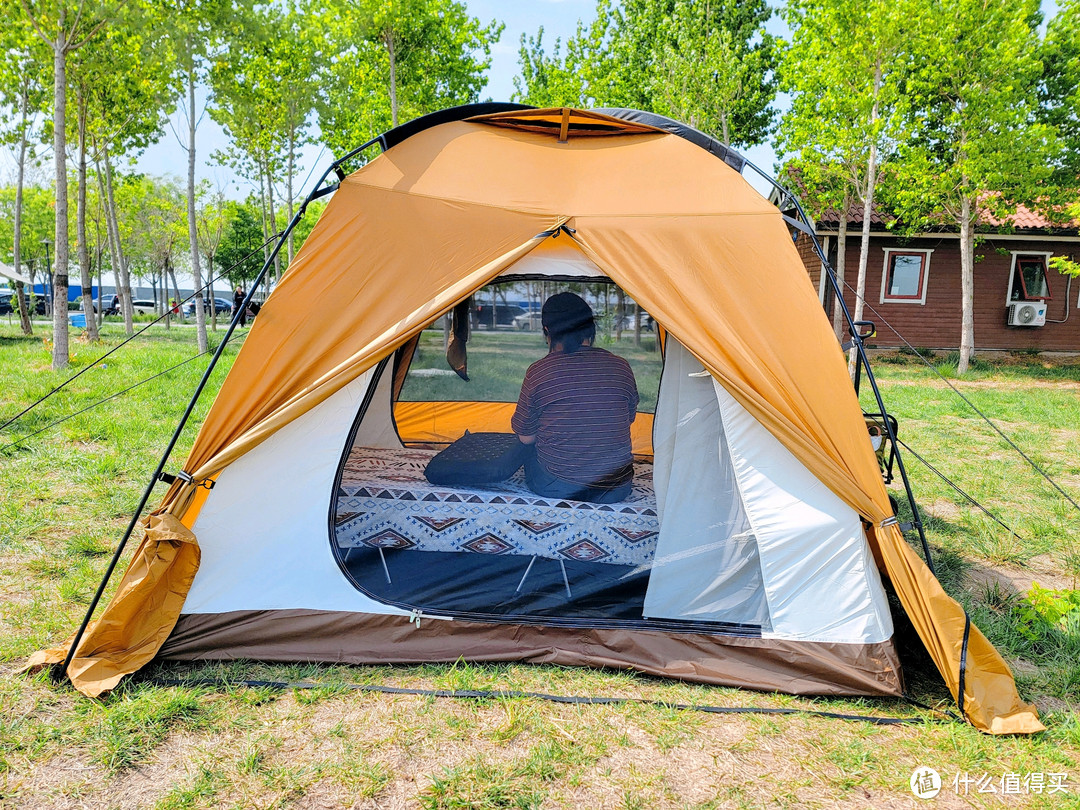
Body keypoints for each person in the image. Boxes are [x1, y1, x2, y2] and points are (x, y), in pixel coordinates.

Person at [511, 292, 639, 504]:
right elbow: (628, 418)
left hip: (557, 487)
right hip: (617, 488)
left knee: (527, 452)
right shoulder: (621, 366)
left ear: (547, 330)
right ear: (590, 327)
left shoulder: (539, 371)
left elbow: (526, 438)